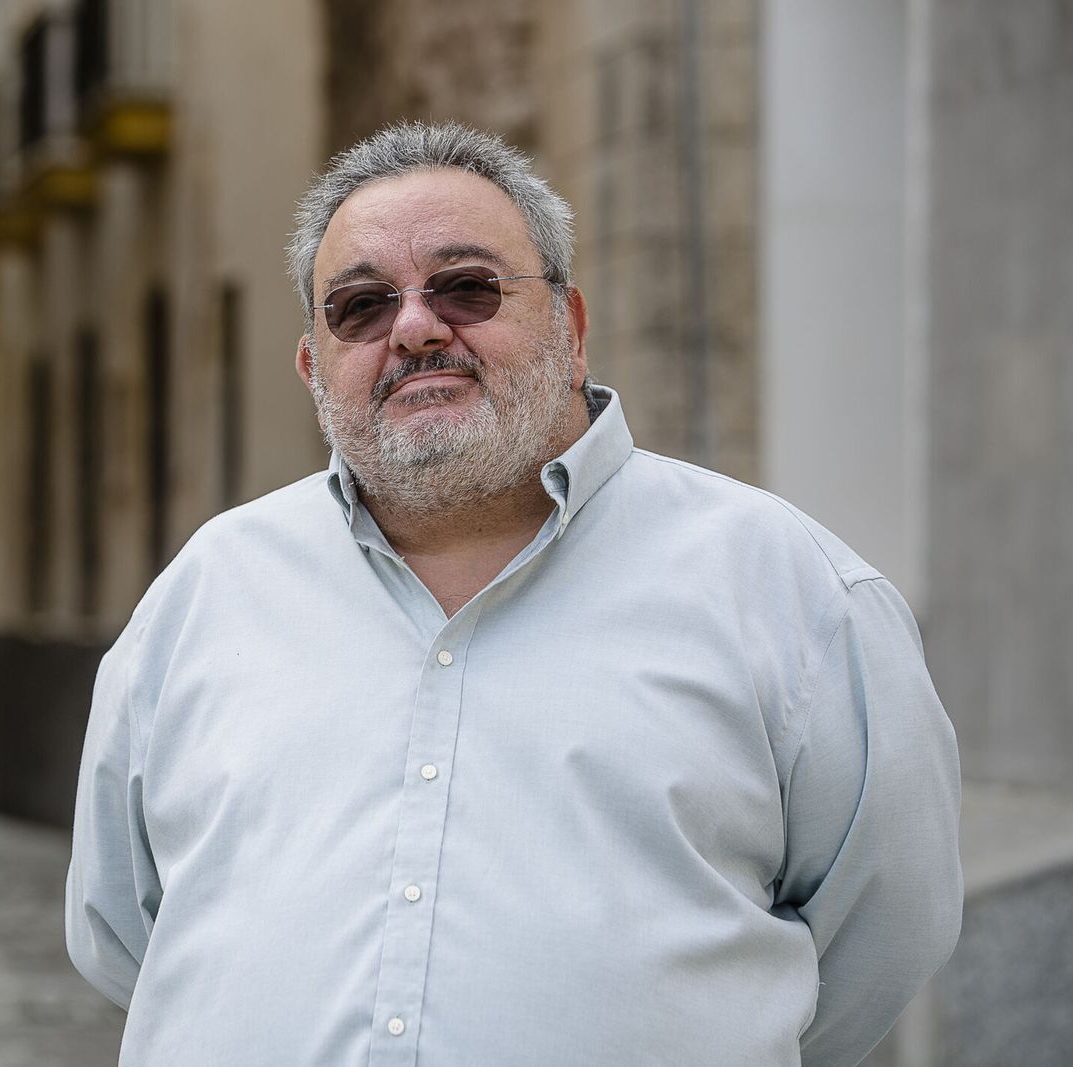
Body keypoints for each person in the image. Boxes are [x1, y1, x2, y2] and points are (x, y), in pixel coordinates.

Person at [65, 123, 963, 1066]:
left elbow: (889, 925)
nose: (414, 326)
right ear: (312, 368)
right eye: (361, 306)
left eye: (466, 286)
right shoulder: (205, 593)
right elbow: (124, 930)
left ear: (569, 329)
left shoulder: (789, 588)